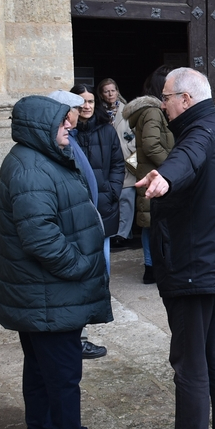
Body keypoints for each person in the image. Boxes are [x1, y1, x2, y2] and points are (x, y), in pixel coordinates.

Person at [0, 95, 115, 429]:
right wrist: (80, 265)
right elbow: (40, 237)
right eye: (64, 120)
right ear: (41, 126)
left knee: (41, 366)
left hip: (41, 293)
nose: (71, 125)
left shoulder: (38, 158)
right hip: (49, 293)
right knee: (63, 373)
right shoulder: (30, 168)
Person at [137, 68, 215, 429]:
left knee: (191, 363)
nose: (162, 104)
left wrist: (164, 176)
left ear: (185, 98)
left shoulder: (202, 131)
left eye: (165, 97)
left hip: (196, 268)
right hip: (212, 265)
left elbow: (186, 158)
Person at [48, 90, 109, 361]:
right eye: (73, 109)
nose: (76, 116)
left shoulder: (68, 138)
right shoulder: (60, 142)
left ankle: (77, 337)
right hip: (73, 230)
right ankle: (77, 340)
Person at [122, 66, 174, 285]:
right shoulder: (152, 111)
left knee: (150, 222)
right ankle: (153, 268)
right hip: (155, 174)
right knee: (153, 223)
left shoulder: (149, 111)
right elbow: (152, 145)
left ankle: (152, 267)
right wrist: (173, 166)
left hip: (150, 172)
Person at [69, 84, 125, 270]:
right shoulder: (67, 133)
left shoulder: (107, 131)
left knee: (104, 257)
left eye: (90, 101)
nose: (87, 106)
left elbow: (118, 164)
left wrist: (113, 192)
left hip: (104, 201)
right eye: (81, 102)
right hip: (75, 202)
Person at [98, 78, 139, 250]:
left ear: (117, 91)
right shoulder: (98, 112)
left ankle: (122, 234)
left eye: (113, 90)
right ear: (101, 93)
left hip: (125, 159)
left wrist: (129, 148)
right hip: (106, 160)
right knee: (111, 197)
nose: (110, 94)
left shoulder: (128, 110)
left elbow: (137, 133)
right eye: (106, 91)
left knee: (127, 197)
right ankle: (117, 232)